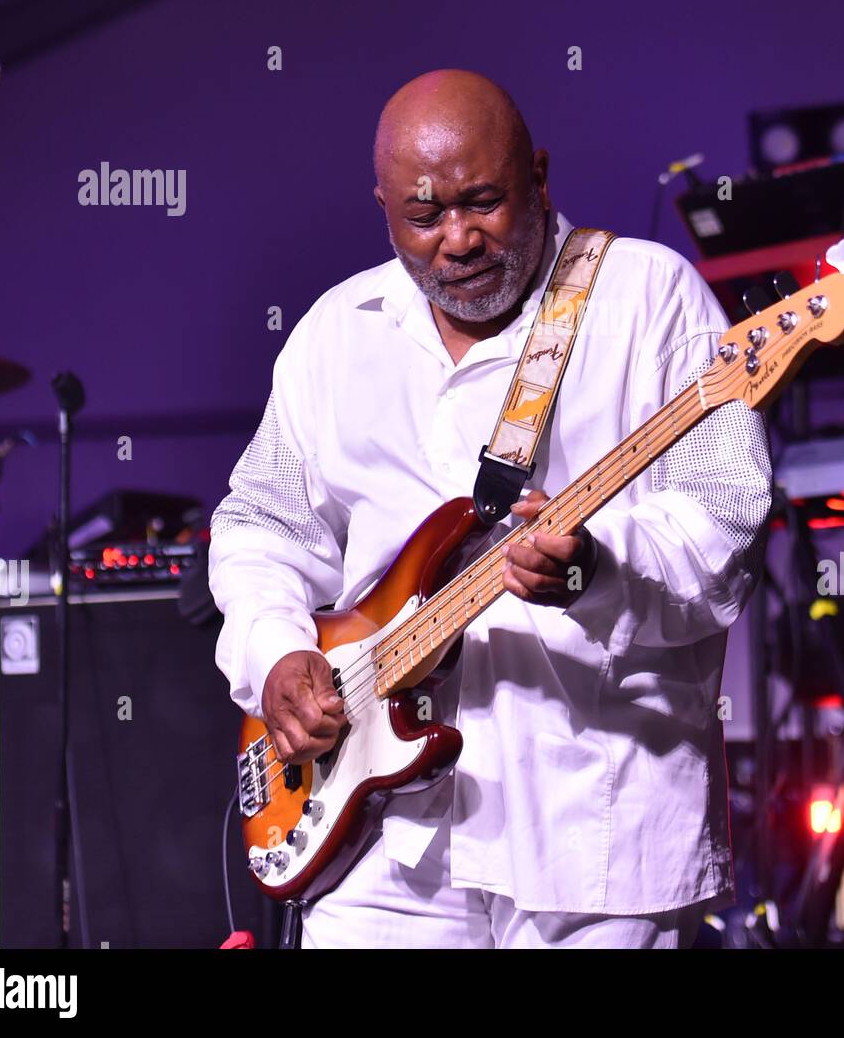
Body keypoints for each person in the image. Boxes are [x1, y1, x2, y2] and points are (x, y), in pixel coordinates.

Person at [209, 68, 772, 948]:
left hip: (597, 833)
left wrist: (597, 567)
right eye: (424, 217)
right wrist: (277, 651)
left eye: (485, 202)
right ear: (384, 209)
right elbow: (261, 525)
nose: (459, 239)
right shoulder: (335, 330)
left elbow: (724, 519)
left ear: (540, 176)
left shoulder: (650, 298)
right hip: (379, 838)